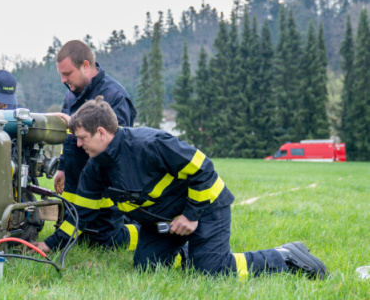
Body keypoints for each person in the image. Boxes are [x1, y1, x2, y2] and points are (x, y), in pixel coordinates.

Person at [37, 97, 328, 280]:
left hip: (205, 209)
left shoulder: (150, 145)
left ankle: (285, 256)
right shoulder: (95, 168)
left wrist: (190, 215)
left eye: (82, 137)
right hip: (164, 223)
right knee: (148, 267)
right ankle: (193, 252)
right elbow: (81, 216)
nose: (77, 145)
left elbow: (204, 170)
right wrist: (48, 245)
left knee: (213, 272)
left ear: (101, 133)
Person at [44, 40, 138, 252]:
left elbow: (117, 149)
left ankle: (144, 233)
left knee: (106, 241)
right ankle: (74, 229)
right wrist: (62, 167)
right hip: (74, 182)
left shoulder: (115, 96)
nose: (63, 80)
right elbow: (69, 137)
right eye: (61, 74)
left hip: (101, 185)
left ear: (86, 65)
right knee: (80, 236)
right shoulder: (71, 94)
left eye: (67, 73)